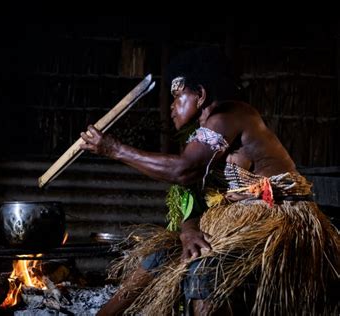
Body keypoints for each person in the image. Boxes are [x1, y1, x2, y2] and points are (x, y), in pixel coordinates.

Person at [79, 47, 339, 315]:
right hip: (239, 219)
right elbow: (192, 191)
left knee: (204, 271)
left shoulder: (231, 116)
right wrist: (189, 229)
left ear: (200, 95)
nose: (170, 106)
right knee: (158, 258)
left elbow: (184, 171)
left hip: (277, 220)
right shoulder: (203, 136)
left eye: (177, 96)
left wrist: (115, 149)